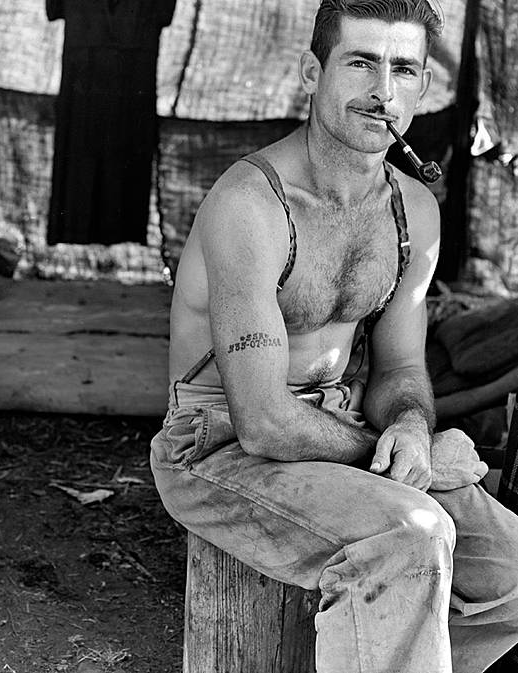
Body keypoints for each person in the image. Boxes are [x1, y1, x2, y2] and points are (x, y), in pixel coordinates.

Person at [150, 1, 518, 671]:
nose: (382, 90)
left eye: (403, 68)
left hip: (340, 425)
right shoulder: (250, 205)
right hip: (218, 447)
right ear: (310, 72)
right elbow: (259, 423)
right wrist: (410, 457)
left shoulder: (413, 211)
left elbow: (400, 367)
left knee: (509, 565)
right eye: (360, 62)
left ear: (421, 88)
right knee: (410, 536)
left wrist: (409, 424)